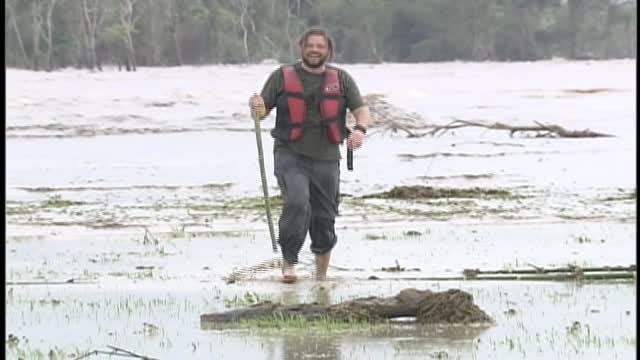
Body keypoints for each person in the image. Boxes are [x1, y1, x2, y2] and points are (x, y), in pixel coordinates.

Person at [249, 27, 371, 283]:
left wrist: (359, 131)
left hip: (327, 157)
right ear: (301, 47)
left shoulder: (342, 79)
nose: (314, 50)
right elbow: (261, 113)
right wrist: (257, 107)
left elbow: (361, 110)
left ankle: (321, 276)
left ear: (328, 50)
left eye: (320, 46)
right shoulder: (281, 77)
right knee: (297, 202)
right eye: (310, 45)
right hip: (290, 154)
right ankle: (289, 263)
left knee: (324, 216)